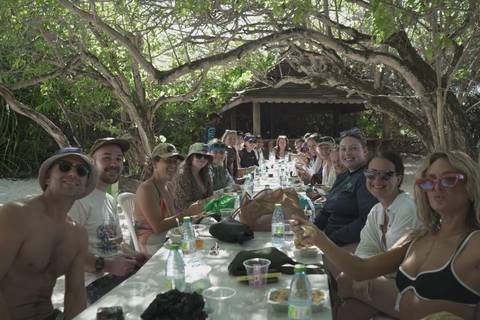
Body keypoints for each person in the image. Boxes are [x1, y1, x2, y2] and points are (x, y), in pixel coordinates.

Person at [294, 150, 480, 319]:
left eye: (448, 180)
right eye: (429, 181)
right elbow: (362, 269)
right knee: (345, 305)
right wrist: (318, 237)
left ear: (471, 188)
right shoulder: (418, 236)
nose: (436, 187)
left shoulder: (474, 244)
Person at [0, 147, 98, 319]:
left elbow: (75, 293)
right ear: (47, 177)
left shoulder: (78, 234)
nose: (73, 173)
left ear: (84, 186)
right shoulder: (16, 214)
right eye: (65, 167)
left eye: (81, 171)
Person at [335, 151, 419, 319]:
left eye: (386, 175)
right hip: (386, 279)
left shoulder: (407, 209)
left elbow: (396, 264)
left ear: (399, 179)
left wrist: (366, 273)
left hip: (409, 286)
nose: (377, 181)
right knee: (347, 310)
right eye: (371, 174)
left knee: (345, 279)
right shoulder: (377, 210)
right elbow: (365, 249)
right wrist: (365, 271)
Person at [68, 138, 147, 304]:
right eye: (107, 158)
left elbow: (117, 243)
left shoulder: (110, 199)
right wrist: (107, 265)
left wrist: (136, 255)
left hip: (119, 272)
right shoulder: (78, 200)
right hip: (92, 284)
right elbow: (66, 255)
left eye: (118, 159)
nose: (114, 163)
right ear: (92, 162)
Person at [314, 128, 378, 247]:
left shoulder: (366, 179)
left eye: (353, 148)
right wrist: (311, 230)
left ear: (364, 151)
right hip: (327, 239)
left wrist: (330, 241)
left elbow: (366, 220)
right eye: (343, 149)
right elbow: (326, 211)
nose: (347, 153)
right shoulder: (343, 177)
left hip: (345, 245)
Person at [134, 143, 191, 255]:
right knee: (189, 244)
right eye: (168, 161)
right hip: (149, 241)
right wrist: (188, 214)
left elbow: (174, 219)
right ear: (155, 163)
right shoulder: (147, 188)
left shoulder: (168, 186)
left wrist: (194, 216)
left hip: (166, 235)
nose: (173, 165)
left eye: (175, 161)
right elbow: (158, 227)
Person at [171, 142, 215, 211]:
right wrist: (207, 201)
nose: (203, 159)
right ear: (191, 157)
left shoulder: (206, 173)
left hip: (204, 212)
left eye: (206, 156)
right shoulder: (182, 176)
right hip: (186, 217)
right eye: (198, 155)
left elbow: (210, 196)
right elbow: (183, 205)